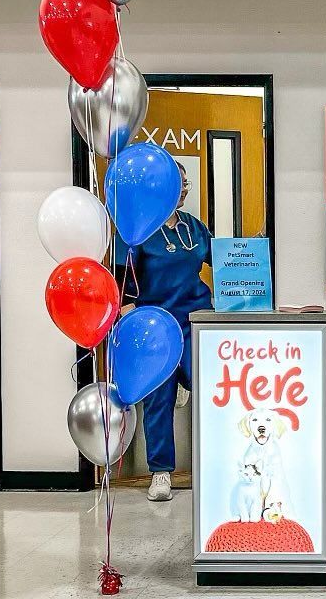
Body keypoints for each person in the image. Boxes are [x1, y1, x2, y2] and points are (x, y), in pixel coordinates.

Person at [116, 162, 213, 502]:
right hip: (156, 323)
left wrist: (252, 261)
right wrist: (128, 314)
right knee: (159, 398)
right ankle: (161, 473)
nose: (184, 187)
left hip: (195, 320)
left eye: (186, 182)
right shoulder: (137, 231)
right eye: (178, 182)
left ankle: (215, 464)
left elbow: (226, 260)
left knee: (210, 389)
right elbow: (121, 278)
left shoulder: (194, 228)